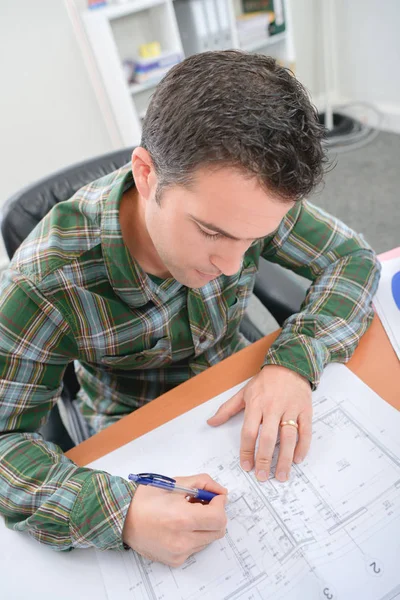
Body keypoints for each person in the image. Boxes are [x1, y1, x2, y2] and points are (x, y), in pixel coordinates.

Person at [0, 51, 379, 567]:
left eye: (256, 240)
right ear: (147, 175)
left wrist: (296, 359)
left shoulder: (243, 197)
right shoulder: (43, 282)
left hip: (235, 379)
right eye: (212, 233)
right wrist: (121, 513)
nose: (231, 265)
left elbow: (351, 257)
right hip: (129, 424)